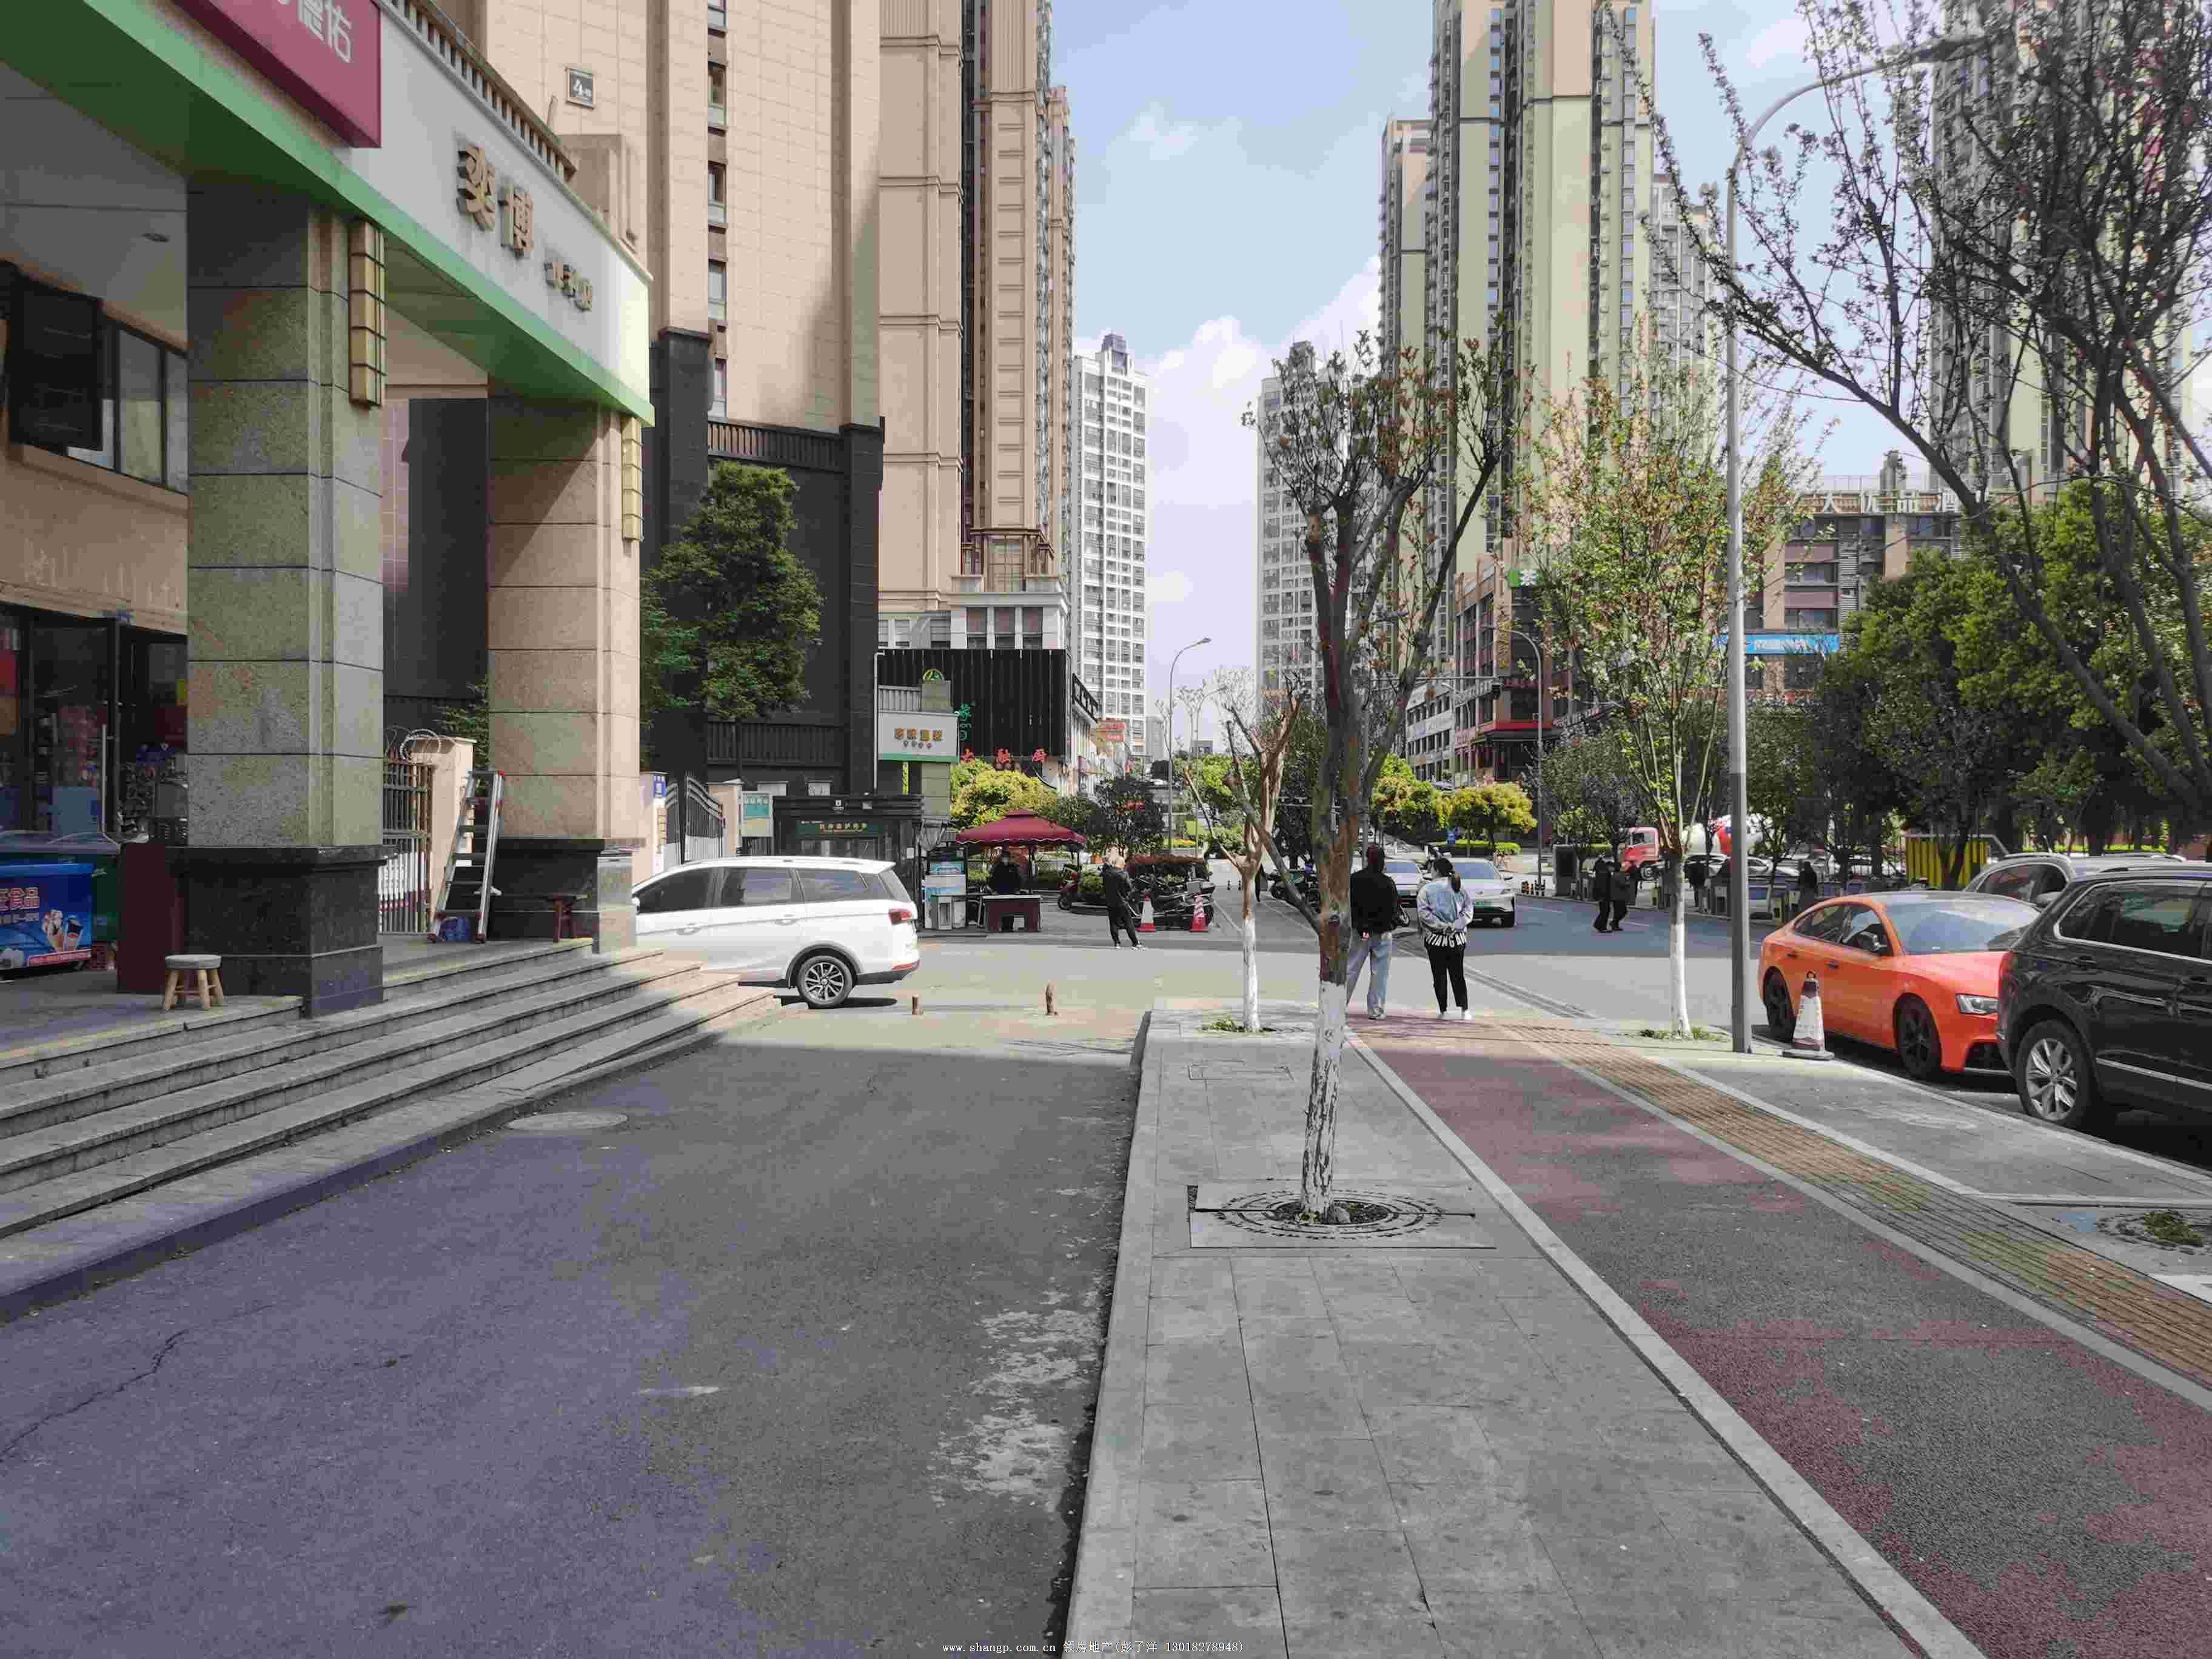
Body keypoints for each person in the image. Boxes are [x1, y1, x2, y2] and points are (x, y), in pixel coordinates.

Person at [1416, 855, 1473, 1020]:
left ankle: (1444, 1011)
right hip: (1458, 939)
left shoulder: (1427, 890)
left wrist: (1442, 926)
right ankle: (1465, 1010)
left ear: (1436, 871)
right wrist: (1455, 925)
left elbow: (1424, 914)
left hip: (1436, 940)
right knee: (1458, 974)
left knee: (1439, 975)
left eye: (1432, 869)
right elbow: (1468, 911)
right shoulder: (1459, 887)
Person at [1346, 844, 1399, 1020]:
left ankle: (1338, 1005)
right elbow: (1394, 910)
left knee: (1351, 969)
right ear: (1383, 861)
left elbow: (1349, 905)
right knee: (1379, 974)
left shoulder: (1355, 880)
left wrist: (1359, 925)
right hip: (1382, 933)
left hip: (1360, 933)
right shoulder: (1388, 883)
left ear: (1367, 859)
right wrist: (1390, 924)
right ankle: (1376, 1010)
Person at [1101, 849, 1140, 949]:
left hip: (1110, 902)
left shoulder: (1106, 873)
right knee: (1128, 923)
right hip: (1122, 902)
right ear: (1122, 864)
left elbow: (1104, 887)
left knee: (1114, 923)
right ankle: (1135, 943)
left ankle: (1117, 943)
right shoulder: (1124, 874)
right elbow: (1129, 887)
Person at [987, 848, 1024, 931]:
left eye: (1007, 857)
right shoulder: (998, 868)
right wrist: (994, 891)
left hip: (1011, 892)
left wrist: (1018, 890)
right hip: (1000, 892)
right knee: (1002, 910)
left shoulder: (1013, 867)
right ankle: (1003, 927)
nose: (1005, 859)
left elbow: (1018, 880)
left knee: (1011, 910)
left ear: (1009, 858)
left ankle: (1010, 927)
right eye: (1004, 857)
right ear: (1001, 858)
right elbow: (993, 880)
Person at [1589, 853, 1616, 932]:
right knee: (1605, 911)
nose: (1613, 870)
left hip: (1602, 895)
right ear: (1609, 867)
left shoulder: (1603, 872)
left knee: (1605, 911)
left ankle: (1599, 925)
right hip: (1604, 896)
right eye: (1613, 868)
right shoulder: (1605, 874)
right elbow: (1603, 886)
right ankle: (1602, 927)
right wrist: (1603, 897)